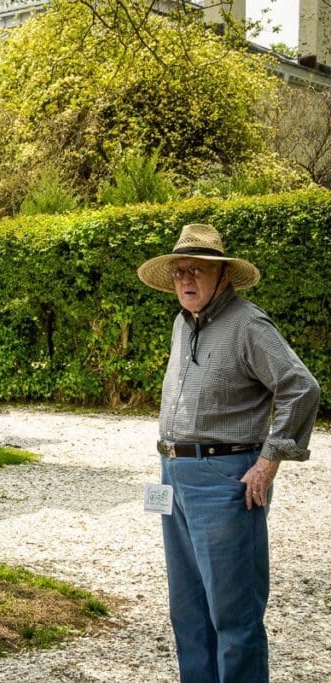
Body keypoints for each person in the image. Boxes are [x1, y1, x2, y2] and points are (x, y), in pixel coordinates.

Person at [137, 223, 320, 683]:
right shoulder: (183, 324)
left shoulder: (248, 324)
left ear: (223, 276)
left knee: (233, 617)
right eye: (180, 271)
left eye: (196, 270)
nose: (186, 280)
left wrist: (268, 461)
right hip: (173, 477)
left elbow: (301, 388)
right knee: (187, 611)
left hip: (226, 480)